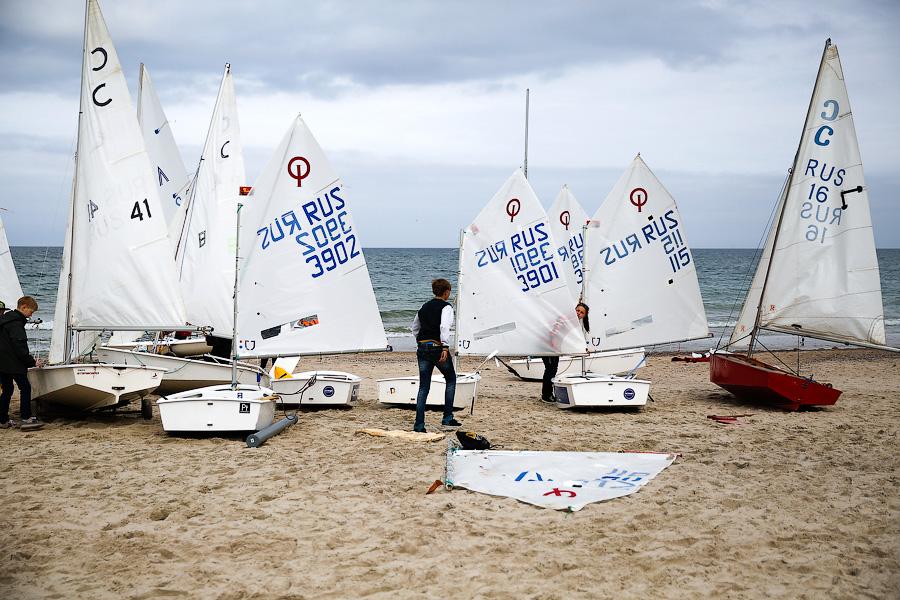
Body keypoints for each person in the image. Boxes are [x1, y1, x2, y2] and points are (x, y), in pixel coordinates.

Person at [410, 278, 461, 433]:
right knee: (451, 379)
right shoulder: (446, 307)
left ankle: (419, 425)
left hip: (423, 348)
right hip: (438, 348)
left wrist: (420, 341)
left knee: (424, 386)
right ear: (446, 292)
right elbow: (444, 326)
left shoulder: (423, 307)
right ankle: (447, 418)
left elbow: (415, 328)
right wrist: (445, 346)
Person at [0, 296, 43, 430]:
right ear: (23, 307)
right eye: (31, 312)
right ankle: (26, 418)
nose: (31, 315)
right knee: (25, 388)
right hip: (14, 363)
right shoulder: (16, 323)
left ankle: (2, 420)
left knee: (7, 390)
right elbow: (20, 346)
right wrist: (32, 362)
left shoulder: (4, 320)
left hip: (1, 363)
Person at [541, 302, 591, 403]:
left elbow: (572, 339)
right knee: (550, 370)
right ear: (574, 310)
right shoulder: (565, 319)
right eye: (577, 310)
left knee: (553, 369)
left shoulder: (575, 324)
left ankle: (549, 394)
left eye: (581, 312)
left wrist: (583, 348)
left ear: (584, 315)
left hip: (555, 348)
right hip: (548, 346)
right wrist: (553, 347)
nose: (578, 313)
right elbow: (553, 332)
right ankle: (546, 395)